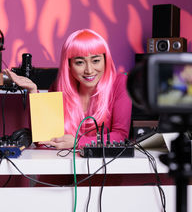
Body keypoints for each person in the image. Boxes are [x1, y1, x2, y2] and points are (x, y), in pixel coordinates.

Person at [4, 29, 132, 149]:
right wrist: (33, 92)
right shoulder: (58, 87)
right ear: (69, 65)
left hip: (106, 171)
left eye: (96, 61)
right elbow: (44, 140)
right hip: (62, 169)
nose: (89, 70)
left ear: (106, 60)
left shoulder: (120, 83)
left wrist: (78, 142)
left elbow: (120, 136)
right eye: (80, 62)